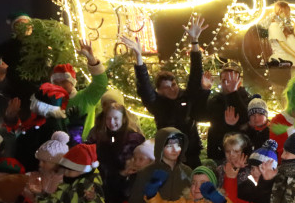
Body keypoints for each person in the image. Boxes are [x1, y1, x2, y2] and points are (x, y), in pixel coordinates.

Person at [120, 17, 208, 169]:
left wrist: (194, 42)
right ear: (159, 91)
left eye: (173, 84)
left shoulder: (186, 96)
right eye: (166, 87)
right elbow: (145, 87)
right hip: (168, 158)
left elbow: (195, 74)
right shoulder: (157, 104)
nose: (172, 89)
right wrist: (139, 58)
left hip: (191, 155)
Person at [49, 39, 109, 145]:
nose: (60, 86)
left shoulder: (86, 97)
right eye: (56, 82)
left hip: (84, 148)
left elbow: (101, 83)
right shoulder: (51, 103)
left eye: (64, 81)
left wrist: (92, 60)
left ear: (72, 82)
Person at [0, 13, 35, 123]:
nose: (24, 28)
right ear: (14, 29)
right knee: (18, 123)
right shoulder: (6, 48)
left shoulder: (41, 46)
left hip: (41, 95)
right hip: (18, 97)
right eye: (20, 25)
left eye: (27, 25)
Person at [9, 83, 69, 173]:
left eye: (33, 101)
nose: (31, 103)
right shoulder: (44, 120)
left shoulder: (49, 126)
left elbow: (31, 148)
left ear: (40, 105)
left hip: (32, 170)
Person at [202, 60, 251, 164]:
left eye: (231, 80)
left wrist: (233, 93)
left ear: (239, 82)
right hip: (217, 155)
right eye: (224, 80)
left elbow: (246, 119)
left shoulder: (247, 100)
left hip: (240, 156)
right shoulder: (215, 100)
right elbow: (199, 116)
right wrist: (204, 91)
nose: (227, 83)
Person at [266, 0, 295, 69]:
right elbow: (283, 46)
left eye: (288, 12)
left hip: (290, 56)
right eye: (287, 12)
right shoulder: (274, 26)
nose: (288, 14)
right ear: (280, 12)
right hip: (282, 57)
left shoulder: (284, 26)